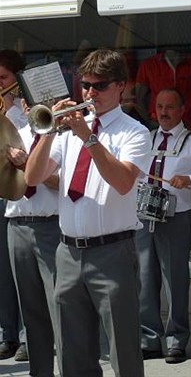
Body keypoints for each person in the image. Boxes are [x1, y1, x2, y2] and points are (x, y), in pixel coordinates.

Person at [24, 48, 151, 377]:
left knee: (123, 351)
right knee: (72, 352)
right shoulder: (66, 133)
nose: (89, 93)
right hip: (68, 252)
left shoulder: (134, 132)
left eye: (99, 86)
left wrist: (89, 137)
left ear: (120, 86)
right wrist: (48, 133)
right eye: (85, 85)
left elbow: (123, 182)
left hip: (113, 251)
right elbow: (32, 177)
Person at [137, 88, 191, 364]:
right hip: (146, 214)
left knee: (175, 279)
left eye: (169, 107)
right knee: (146, 278)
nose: (163, 112)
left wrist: (190, 180)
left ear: (181, 110)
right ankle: (150, 339)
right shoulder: (148, 138)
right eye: (159, 106)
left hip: (176, 216)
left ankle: (176, 339)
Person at [5, 98, 61, 375]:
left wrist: (29, 164)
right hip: (17, 225)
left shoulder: (62, 137)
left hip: (50, 225)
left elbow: (63, 183)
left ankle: (68, 368)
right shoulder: (15, 134)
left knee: (59, 308)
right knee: (31, 310)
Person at [0, 49, 27, 361]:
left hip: (17, 197)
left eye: (3, 78)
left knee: (19, 274)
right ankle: (6, 332)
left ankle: (25, 336)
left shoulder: (25, 116)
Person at [135, 50, 191, 130]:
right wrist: (149, 122)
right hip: (157, 126)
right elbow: (139, 99)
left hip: (189, 126)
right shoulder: (149, 65)